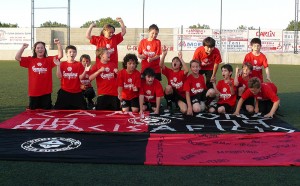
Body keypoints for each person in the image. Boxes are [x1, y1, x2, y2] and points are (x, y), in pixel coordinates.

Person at [15, 39, 63, 110]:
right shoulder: (30, 60)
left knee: (47, 111)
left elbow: (60, 56)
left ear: (44, 49)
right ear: (35, 50)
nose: (40, 49)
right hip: (34, 91)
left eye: (42, 47)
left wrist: (58, 44)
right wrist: (23, 47)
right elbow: (17, 58)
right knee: (33, 112)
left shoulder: (49, 60)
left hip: (46, 91)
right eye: (38, 48)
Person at [54, 45, 90, 110]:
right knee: (58, 111)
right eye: (70, 52)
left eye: (74, 52)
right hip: (64, 92)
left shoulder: (79, 64)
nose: (72, 53)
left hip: (76, 92)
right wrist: (58, 66)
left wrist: (85, 70)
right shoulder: (62, 64)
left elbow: (81, 78)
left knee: (83, 111)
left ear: (76, 53)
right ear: (66, 54)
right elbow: (59, 76)